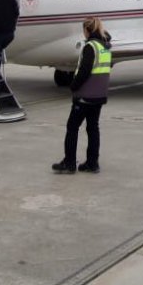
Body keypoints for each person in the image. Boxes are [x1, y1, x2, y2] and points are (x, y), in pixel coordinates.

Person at [53, 17, 111, 174]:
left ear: (87, 30)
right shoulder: (105, 47)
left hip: (85, 96)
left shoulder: (90, 47)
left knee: (72, 127)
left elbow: (84, 71)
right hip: (99, 96)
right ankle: (92, 163)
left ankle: (69, 162)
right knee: (93, 129)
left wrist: (73, 87)